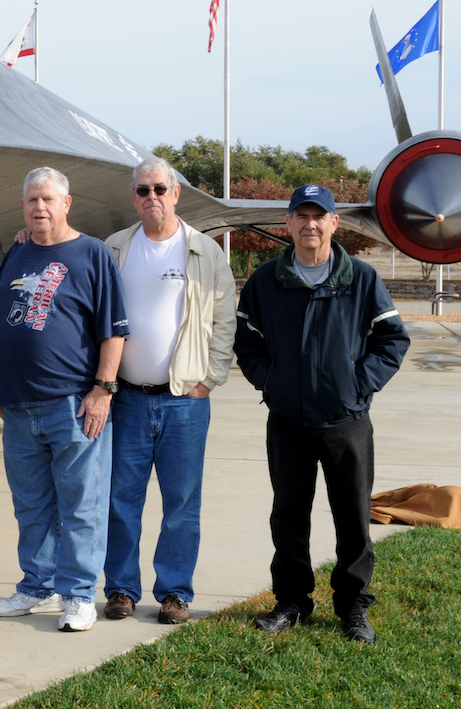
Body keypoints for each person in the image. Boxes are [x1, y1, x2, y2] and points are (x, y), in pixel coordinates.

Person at [234, 184, 410, 644]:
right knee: (288, 516)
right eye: (301, 216)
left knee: (352, 515)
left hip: (346, 422)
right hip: (288, 421)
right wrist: (269, 381)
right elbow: (246, 342)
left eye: (320, 216)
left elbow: (392, 341)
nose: (310, 225)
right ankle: (292, 602)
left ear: (334, 223)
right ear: (288, 224)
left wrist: (359, 385)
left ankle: (353, 607)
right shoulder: (265, 282)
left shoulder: (363, 279)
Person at [0, 166, 129, 632]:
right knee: (31, 506)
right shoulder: (19, 252)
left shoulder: (92, 254)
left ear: (67, 203)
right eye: (32, 200)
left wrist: (103, 389)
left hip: (72, 405)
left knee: (81, 505)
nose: (40, 207)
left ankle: (80, 594)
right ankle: (37, 586)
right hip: (18, 407)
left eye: (49, 199)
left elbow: (112, 327)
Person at [101, 157, 236, 626]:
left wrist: (209, 378)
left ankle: (174, 592)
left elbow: (224, 319)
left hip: (184, 401)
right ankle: (120, 589)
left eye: (160, 188)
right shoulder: (115, 248)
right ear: (133, 197)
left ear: (176, 193)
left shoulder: (204, 252)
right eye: (142, 190)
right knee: (121, 499)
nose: (151, 197)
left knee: (181, 503)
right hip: (127, 399)